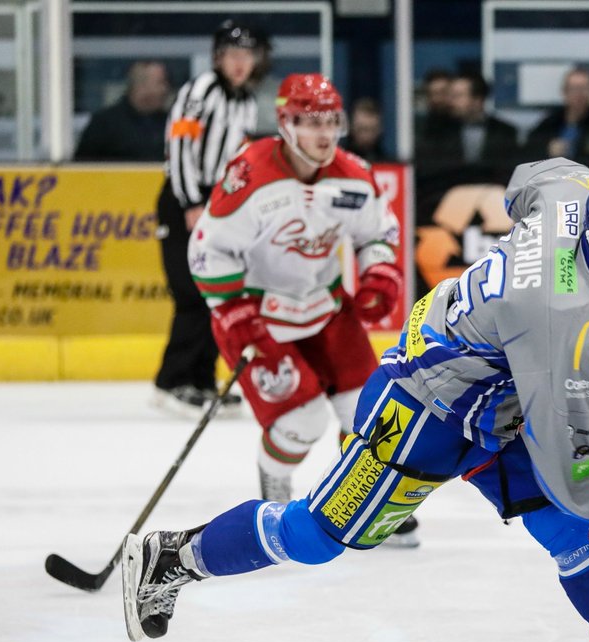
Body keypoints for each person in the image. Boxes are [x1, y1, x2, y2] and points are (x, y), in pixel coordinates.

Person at [121, 156, 589, 642]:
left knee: (571, 532)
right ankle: (175, 556)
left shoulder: (572, 194)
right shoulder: (565, 319)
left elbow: (527, 180)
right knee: (317, 535)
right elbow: (565, 454)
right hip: (426, 403)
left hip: (499, 398)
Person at [185, 73, 418, 552]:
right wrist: (234, 313)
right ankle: (273, 489)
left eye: (332, 121)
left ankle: (356, 505)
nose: (324, 134)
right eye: (311, 122)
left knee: (370, 411)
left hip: (324, 308)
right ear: (285, 123)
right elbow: (207, 250)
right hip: (255, 317)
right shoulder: (249, 174)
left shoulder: (353, 174)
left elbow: (380, 232)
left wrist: (378, 275)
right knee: (304, 422)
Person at [151, 19, 268, 418]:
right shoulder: (201, 90)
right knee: (190, 292)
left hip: (216, 206)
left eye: (246, 55)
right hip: (185, 201)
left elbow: (239, 160)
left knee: (215, 290)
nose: (240, 63)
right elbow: (180, 145)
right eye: (232, 55)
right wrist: (189, 201)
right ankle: (172, 381)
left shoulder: (247, 101)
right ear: (218, 58)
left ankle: (201, 380)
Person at [74, 60, 171, 162]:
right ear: (141, 86)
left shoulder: (170, 123)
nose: (165, 89)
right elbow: (81, 167)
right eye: (161, 83)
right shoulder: (104, 125)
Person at [524, 67, 589, 161]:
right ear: (564, 92)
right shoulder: (551, 121)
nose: (580, 94)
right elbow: (530, 147)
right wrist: (547, 149)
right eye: (575, 89)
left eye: (584, 88)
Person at [449, 72, 520, 164]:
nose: (451, 101)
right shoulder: (443, 130)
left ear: (477, 99)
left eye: (457, 96)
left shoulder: (505, 131)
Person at [413, 68, 460, 164]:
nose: (436, 99)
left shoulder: (464, 125)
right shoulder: (419, 130)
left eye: (443, 92)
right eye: (431, 94)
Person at [342, 97, 387, 162]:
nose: (366, 136)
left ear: (379, 130)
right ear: (352, 127)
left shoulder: (388, 164)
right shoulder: (340, 161)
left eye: (372, 130)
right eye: (362, 129)